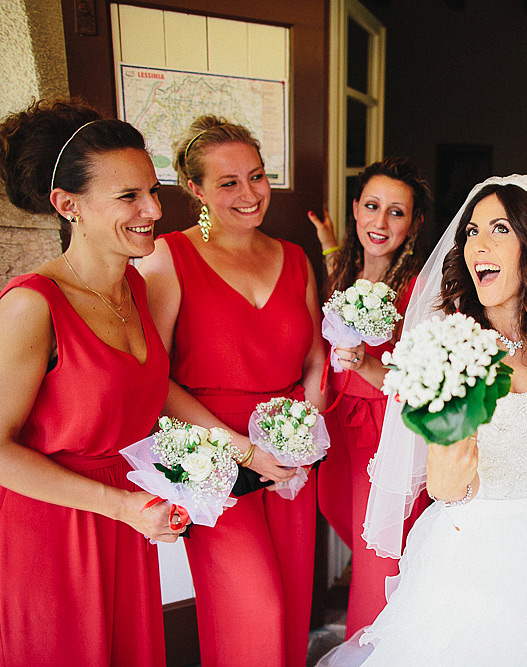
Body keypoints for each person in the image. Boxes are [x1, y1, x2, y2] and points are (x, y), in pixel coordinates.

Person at [317, 174, 527, 666]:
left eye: (499, 229)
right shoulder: (448, 341)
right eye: (471, 232)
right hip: (467, 557)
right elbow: (446, 488)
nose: (479, 246)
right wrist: (451, 457)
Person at [140, 116, 327, 667]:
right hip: (214, 464)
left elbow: (316, 357)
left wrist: (302, 436)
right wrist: (246, 451)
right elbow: (154, 379)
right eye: (228, 183)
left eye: (257, 176)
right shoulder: (167, 258)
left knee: (292, 607)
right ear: (194, 188)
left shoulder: (295, 258)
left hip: (290, 463)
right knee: (255, 609)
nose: (250, 194)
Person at [0, 100, 182, 666]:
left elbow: (150, 388)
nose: (153, 208)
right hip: (51, 532)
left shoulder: (137, 285)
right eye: (129, 196)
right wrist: (121, 505)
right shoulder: (33, 305)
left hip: (128, 523)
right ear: (67, 205)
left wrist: (235, 450)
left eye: (152, 190)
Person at [308, 157, 431, 634]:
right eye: (372, 206)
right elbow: (333, 264)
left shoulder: (420, 289)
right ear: (356, 208)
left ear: (415, 223)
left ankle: (376, 647)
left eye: (396, 213)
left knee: (381, 554)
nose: (380, 222)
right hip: (336, 422)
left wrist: (365, 363)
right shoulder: (343, 268)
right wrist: (328, 241)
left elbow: (419, 385)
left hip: (384, 432)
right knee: (356, 535)